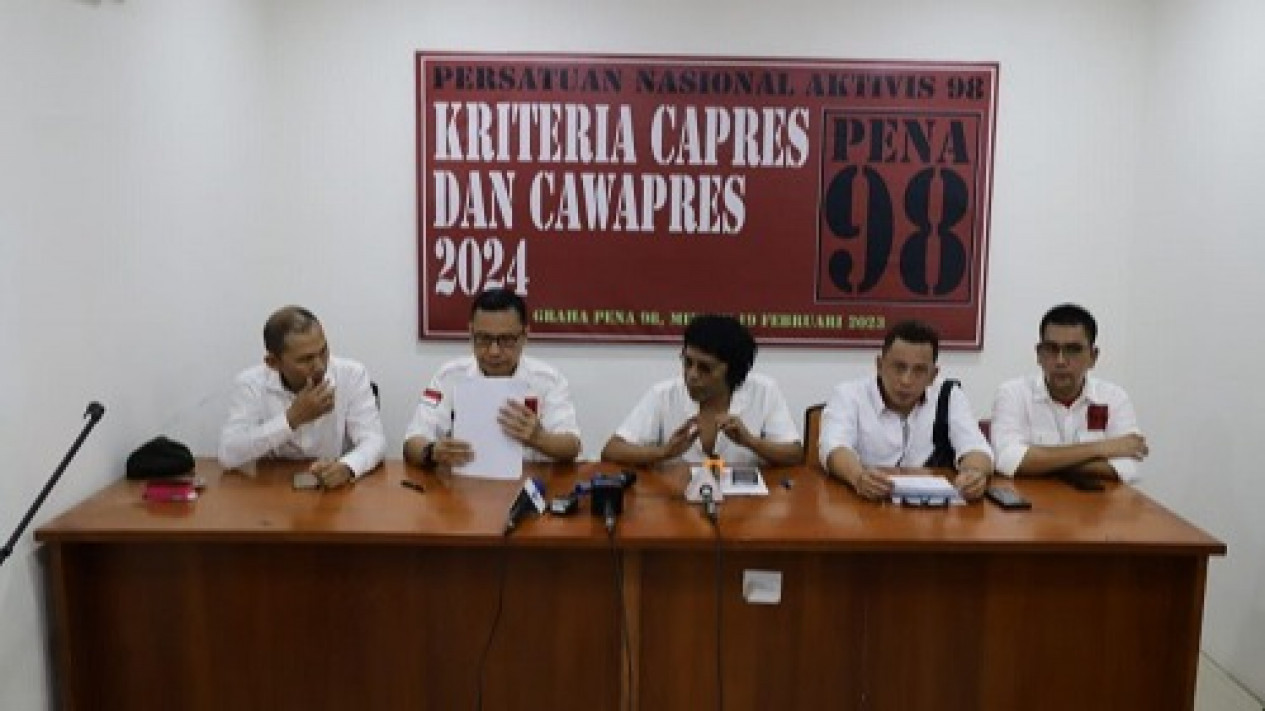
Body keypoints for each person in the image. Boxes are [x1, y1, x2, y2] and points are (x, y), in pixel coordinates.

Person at [403, 288, 581, 468]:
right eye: (484, 338)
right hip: (464, 481)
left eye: (506, 340)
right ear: (471, 332)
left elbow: (572, 446)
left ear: (524, 336)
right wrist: (431, 452)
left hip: (531, 480)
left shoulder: (548, 380)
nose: (494, 351)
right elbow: (412, 441)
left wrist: (539, 438)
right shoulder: (449, 377)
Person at [820, 320, 992, 501]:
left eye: (919, 370)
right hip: (867, 503)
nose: (906, 380)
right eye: (899, 367)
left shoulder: (950, 396)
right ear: (879, 365)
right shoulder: (849, 395)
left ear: (933, 375)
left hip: (930, 510)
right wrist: (858, 477)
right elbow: (834, 447)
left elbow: (976, 448)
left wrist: (973, 475)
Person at [601, 314, 802, 467]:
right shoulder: (663, 395)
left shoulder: (764, 392)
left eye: (705, 368)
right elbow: (611, 451)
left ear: (732, 371)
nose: (692, 375)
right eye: (687, 363)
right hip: (676, 500)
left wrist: (751, 442)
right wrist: (664, 452)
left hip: (748, 503)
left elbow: (794, 454)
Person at [219, 306, 385, 487]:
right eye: (306, 359)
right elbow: (228, 454)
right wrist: (291, 419)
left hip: (335, 486)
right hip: (273, 486)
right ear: (273, 363)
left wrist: (348, 467)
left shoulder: (351, 375)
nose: (320, 366)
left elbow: (374, 441)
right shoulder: (251, 384)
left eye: (323, 351)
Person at [990, 304, 1147, 482]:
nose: (1060, 361)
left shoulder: (1114, 398)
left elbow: (1129, 467)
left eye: (1073, 350)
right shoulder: (1013, 394)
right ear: (1039, 355)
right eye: (1051, 349)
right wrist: (1100, 449)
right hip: (1028, 498)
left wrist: (1039, 463)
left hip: (1097, 499)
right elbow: (1008, 460)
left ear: (1093, 357)